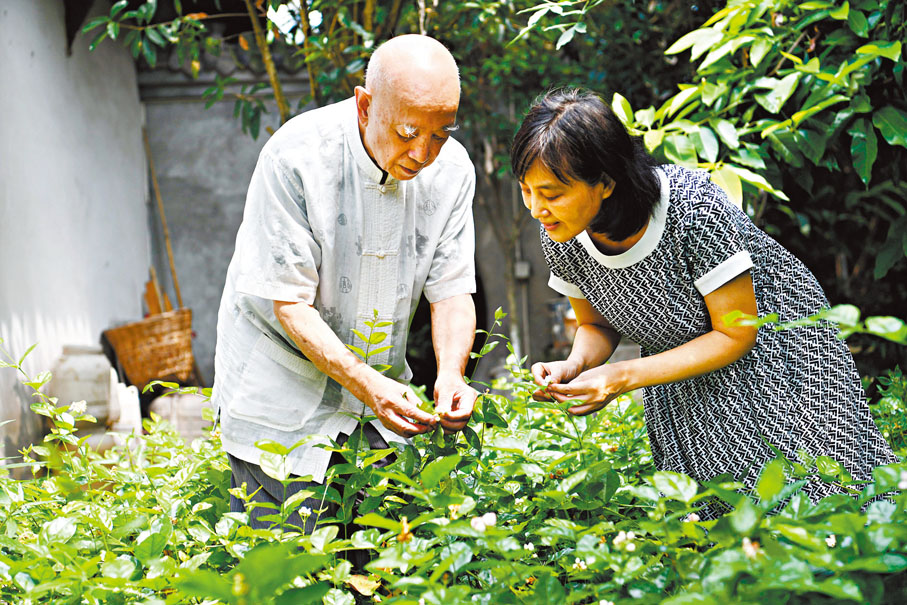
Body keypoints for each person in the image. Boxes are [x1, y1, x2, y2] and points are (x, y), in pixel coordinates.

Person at [511, 88, 897, 517]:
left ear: (605, 183)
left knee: (820, 498)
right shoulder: (563, 238)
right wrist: (575, 365)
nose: (536, 209)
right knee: (724, 520)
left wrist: (620, 376)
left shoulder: (693, 208)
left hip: (777, 351)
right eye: (527, 191)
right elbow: (597, 325)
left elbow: (737, 331)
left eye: (551, 193)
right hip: (679, 370)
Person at [212, 35, 479, 532]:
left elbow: (452, 288)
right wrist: (369, 384)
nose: (423, 153)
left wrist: (450, 376)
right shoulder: (296, 156)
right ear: (364, 105)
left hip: (375, 399)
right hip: (280, 395)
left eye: (440, 133)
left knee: (378, 568)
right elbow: (289, 303)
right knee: (290, 568)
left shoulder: (454, 171)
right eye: (406, 132)